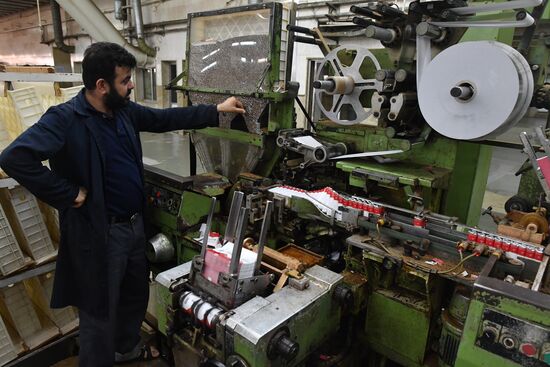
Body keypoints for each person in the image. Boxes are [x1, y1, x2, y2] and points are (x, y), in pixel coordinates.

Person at [0, 42, 245, 366]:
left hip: (133, 226)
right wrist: (66, 193)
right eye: (125, 80)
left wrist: (215, 110)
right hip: (99, 235)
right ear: (101, 85)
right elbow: (14, 157)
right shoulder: (65, 119)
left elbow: (164, 119)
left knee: (133, 298)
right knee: (99, 313)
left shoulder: (123, 112)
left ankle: (127, 349)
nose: (131, 86)